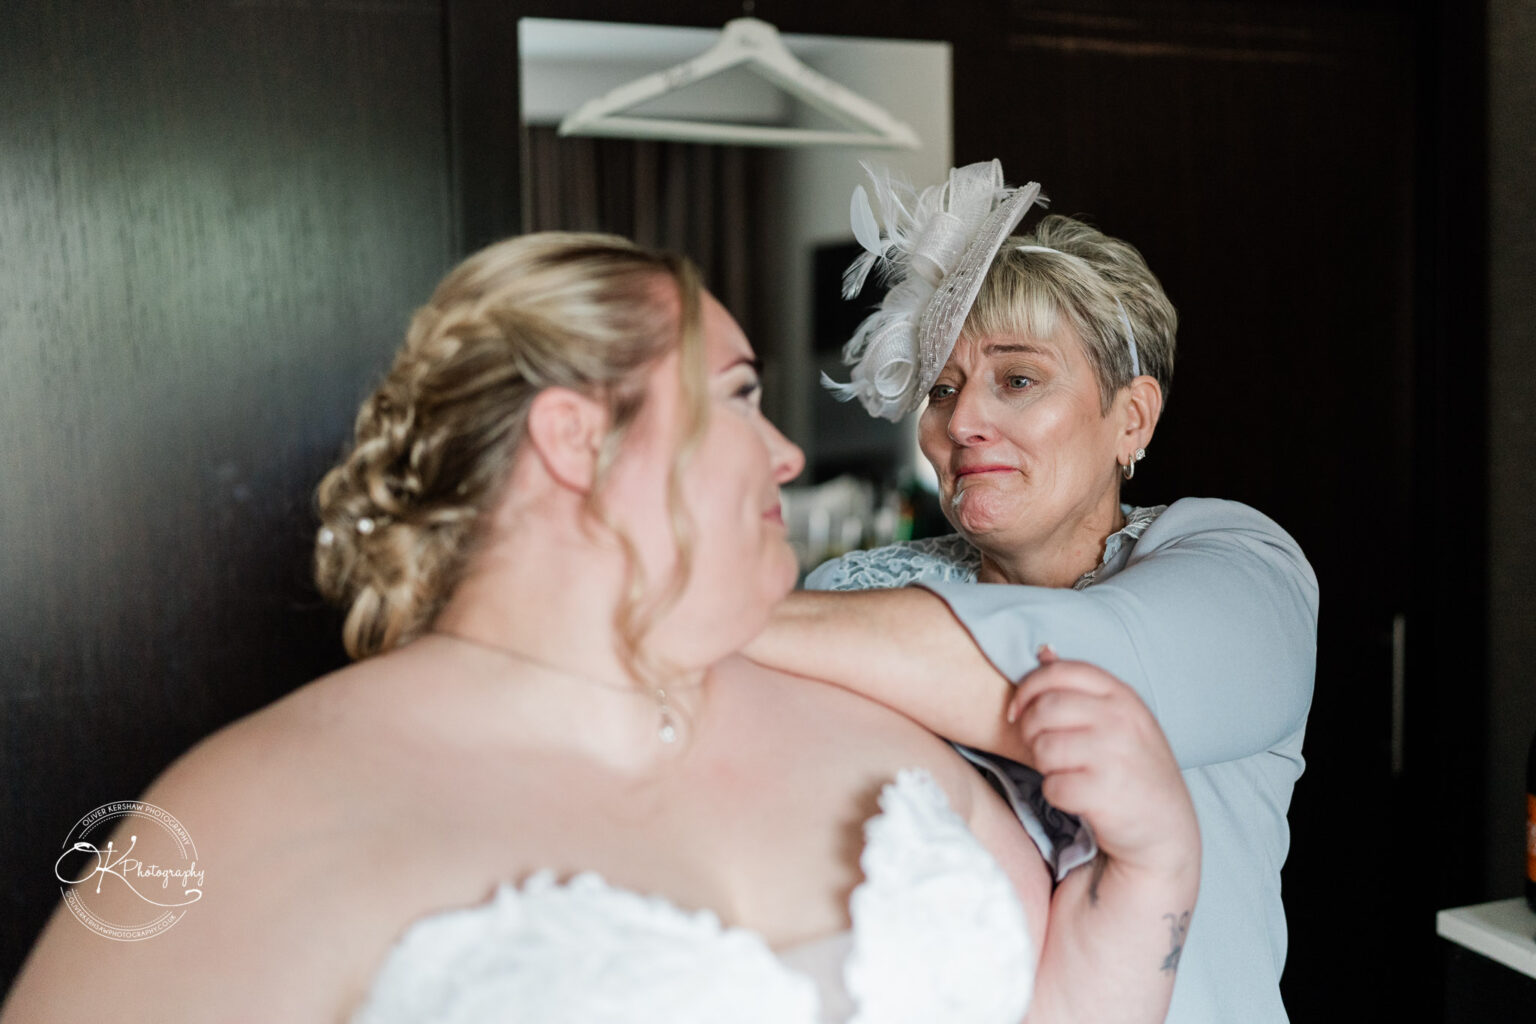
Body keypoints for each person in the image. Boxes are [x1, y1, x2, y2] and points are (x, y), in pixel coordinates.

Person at [2, 232, 1198, 1023]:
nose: (785, 450)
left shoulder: (880, 728)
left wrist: (1151, 870)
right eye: (737, 394)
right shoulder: (233, 807)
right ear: (579, 439)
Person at [749, 161, 1318, 1023]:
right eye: (943, 388)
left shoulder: (1242, 566)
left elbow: (1086, 672)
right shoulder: (857, 589)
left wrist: (693, 610)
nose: (962, 420)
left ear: (1131, 418)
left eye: (1017, 379)